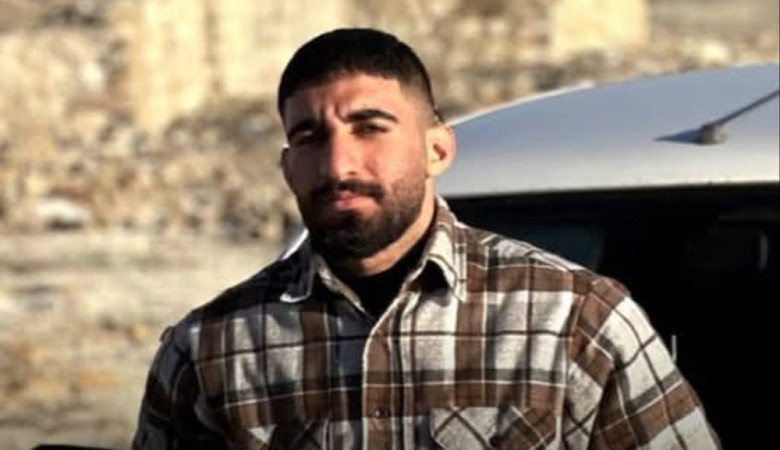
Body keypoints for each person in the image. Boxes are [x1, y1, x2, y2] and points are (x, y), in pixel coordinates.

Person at [132, 28, 720, 449]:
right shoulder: (210, 349)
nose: (338, 164)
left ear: (437, 149)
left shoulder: (575, 323)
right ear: (288, 168)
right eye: (310, 138)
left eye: (370, 128)